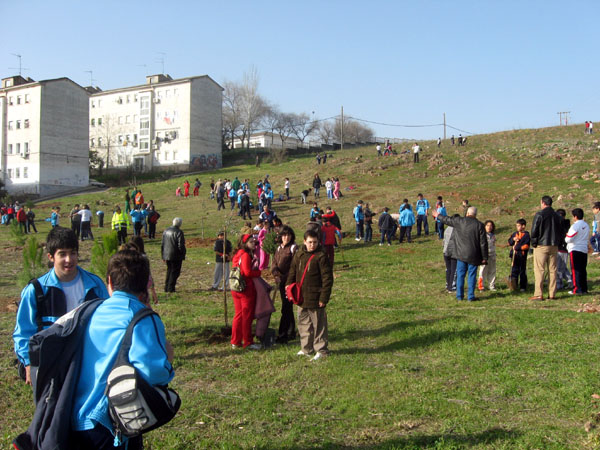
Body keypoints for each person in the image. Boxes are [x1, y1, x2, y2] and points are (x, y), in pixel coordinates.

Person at [70, 250, 174, 449]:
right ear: (146, 284)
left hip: (76, 417)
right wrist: (168, 361)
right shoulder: (143, 318)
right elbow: (154, 372)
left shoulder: (90, 311)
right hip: (111, 422)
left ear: (109, 282)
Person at [13, 227, 109, 385]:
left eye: (72, 253)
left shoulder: (94, 285)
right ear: (51, 257)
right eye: (62, 254)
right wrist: (29, 364)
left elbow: (107, 323)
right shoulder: (36, 291)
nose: (69, 260)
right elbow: (23, 331)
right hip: (50, 366)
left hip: (88, 363)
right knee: (51, 409)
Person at [286, 229, 334, 361]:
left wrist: (323, 298)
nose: (312, 245)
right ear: (304, 242)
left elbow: (327, 279)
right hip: (301, 297)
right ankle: (306, 348)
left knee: (319, 325)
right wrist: (288, 285)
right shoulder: (299, 254)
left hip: (316, 297)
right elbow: (293, 270)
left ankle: (322, 350)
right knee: (303, 324)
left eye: (315, 242)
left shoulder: (321, 256)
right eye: (310, 242)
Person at [433, 206, 488, 301]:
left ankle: (459, 296)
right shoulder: (479, 225)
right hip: (474, 254)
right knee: (471, 276)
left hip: (460, 254)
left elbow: (447, 220)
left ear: (467, 213)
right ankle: (470, 296)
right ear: (475, 214)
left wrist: (438, 215)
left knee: (460, 275)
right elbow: (483, 243)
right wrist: (484, 257)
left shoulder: (459, 221)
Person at [231, 234, 262, 350]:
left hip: (235, 287)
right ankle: (248, 342)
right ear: (245, 243)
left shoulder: (237, 254)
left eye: (254, 241)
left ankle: (235, 340)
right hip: (246, 288)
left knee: (238, 314)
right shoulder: (245, 256)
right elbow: (247, 272)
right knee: (246, 316)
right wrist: (258, 273)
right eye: (251, 242)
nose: (254, 243)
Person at [529, 195, 563, 301]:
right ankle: (552, 293)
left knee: (540, 269)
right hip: (554, 245)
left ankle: (539, 294)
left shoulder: (539, 214)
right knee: (553, 270)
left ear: (543, 203)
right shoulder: (558, 216)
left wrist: (534, 243)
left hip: (541, 244)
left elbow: (534, 230)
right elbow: (562, 232)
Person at [271, 225, 298, 344]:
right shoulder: (278, 249)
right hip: (281, 282)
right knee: (287, 307)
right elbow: (274, 263)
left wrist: (287, 278)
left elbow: (295, 266)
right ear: (280, 236)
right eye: (284, 235)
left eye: (288, 235)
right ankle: (291, 332)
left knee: (285, 308)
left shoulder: (293, 248)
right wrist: (276, 274)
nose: (286, 237)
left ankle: (283, 335)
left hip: (290, 283)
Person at [565, 208, 590, 295]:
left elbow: (569, 238)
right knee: (583, 269)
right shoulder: (586, 225)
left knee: (575, 270)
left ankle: (577, 289)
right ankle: (584, 288)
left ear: (575, 217)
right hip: (583, 249)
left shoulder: (575, 226)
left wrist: (566, 238)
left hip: (575, 248)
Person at [161, 217, 186, 293]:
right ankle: (171, 288)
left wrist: (163, 254)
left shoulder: (166, 231)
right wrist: (183, 253)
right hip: (176, 255)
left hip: (166, 254)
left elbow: (163, 244)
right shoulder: (179, 232)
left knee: (169, 270)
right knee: (175, 272)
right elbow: (180, 245)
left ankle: (166, 287)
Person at [508, 219, 531, 292]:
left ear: (523, 226)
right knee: (514, 270)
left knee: (522, 271)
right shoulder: (515, 233)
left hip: (522, 256)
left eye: (519, 225)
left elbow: (526, 246)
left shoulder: (526, 235)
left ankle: (523, 286)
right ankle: (514, 285)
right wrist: (513, 239)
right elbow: (510, 242)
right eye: (516, 226)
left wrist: (517, 247)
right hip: (515, 255)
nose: (517, 227)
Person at [555, 209, 572, 290]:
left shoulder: (562, 224)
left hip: (561, 248)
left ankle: (559, 285)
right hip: (562, 248)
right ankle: (570, 281)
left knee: (559, 268)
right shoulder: (566, 224)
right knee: (563, 267)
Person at [477, 220, 497, 291]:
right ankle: (481, 286)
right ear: (485, 226)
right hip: (484, 256)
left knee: (492, 270)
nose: (489, 227)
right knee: (483, 271)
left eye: (491, 226)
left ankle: (491, 285)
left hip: (492, 255)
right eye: (488, 225)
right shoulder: (482, 235)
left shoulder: (493, 236)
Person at [443, 215, 459, 293]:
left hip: (445, 251)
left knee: (448, 268)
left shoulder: (447, 229)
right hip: (453, 252)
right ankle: (451, 286)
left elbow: (444, 240)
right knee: (454, 269)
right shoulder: (457, 229)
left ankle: (447, 284)